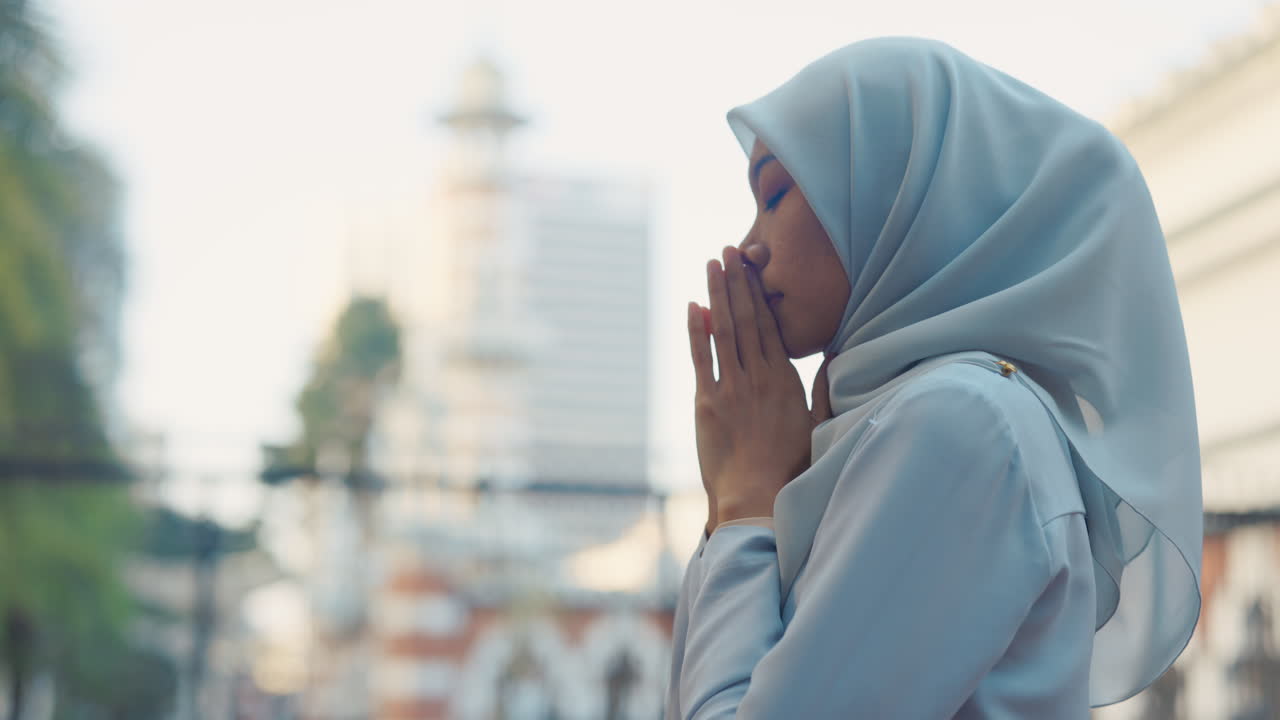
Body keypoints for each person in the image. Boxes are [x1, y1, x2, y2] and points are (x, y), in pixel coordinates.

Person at [665, 37, 1202, 719]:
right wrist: (735, 503)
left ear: (896, 191)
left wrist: (742, 505)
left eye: (774, 194)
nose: (747, 246)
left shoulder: (966, 424)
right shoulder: (866, 437)